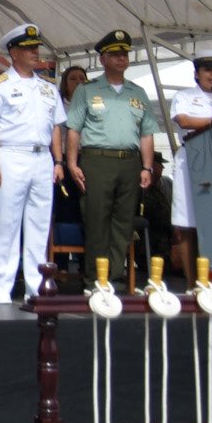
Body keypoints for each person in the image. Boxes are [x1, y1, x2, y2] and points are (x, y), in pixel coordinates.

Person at [0, 23, 67, 303]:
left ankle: (36, 287)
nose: (34, 53)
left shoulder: (48, 87)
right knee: (8, 222)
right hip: (12, 154)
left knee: (39, 225)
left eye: (35, 48)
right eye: (28, 49)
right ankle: (2, 286)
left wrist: (58, 161)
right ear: (13, 52)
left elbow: (56, 127)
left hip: (42, 157)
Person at [64, 30, 161, 287]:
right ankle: (95, 278)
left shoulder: (137, 92)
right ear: (103, 59)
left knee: (123, 221)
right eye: (115, 54)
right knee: (97, 219)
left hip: (130, 161)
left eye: (124, 54)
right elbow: (73, 129)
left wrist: (147, 167)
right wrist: (72, 163)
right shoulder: (87, 90)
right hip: (97, 159)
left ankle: (115, 276)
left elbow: (147, 132)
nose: (121, 59)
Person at [168, 54, 212, 281]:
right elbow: (184, 121)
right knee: (188, 223)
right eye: (208, 69)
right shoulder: (184, 96)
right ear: (197, 74)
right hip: (193, 160)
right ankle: (191, 283)